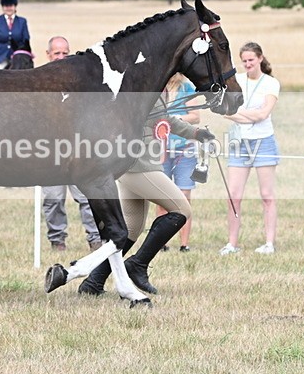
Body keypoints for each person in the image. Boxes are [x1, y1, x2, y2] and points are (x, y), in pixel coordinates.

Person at [77, 98, 215, 296]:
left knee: (131, 229)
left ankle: (93, 282)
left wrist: (196, 133)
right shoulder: (136, 86)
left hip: (137, 165)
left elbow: (163, 120)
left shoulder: (153, 89)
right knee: (182, 210)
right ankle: (138, 264)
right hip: (139, 165)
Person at [41, 36, 103, 251]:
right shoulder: (38, 81)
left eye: (65, 53)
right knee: (53, 198)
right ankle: (57, 240)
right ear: (48, 55)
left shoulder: (81, 81)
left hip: (78, 148)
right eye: (57, 53)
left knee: (87, 197)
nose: (61, 57)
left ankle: (95, 238)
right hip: (48, 151)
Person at [220, 41, 280, 255]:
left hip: (263, 142)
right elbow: (226, 111)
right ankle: (232, 243)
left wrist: (241, 115)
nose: (247, 64)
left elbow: (264, 114)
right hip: (239, 143)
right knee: (234, 195)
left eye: (251, 60)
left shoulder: (271, 83)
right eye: (244, 61)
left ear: (260, 58)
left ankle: (269, 243)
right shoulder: (237, 80)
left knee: (266, 195)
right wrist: (246, 117)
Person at [155, 74, 201, 252]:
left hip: (184, 149)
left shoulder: (187, 87)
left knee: (184, 195)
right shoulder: (157, 87)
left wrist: (174, 120)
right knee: (161, 197)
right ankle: (161, 243)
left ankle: (184, 244)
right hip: (161, 149)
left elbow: (195, 116)